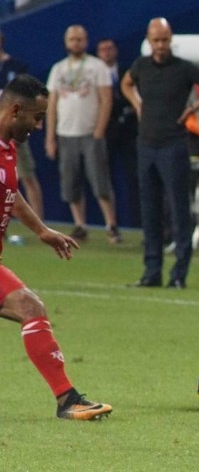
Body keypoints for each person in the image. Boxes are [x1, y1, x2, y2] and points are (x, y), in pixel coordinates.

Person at [0, 74, 112, 420]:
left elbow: (10, 192)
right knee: (31, 308)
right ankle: (67, 400)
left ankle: (67, 400)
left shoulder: (8, 146)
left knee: (31, 309)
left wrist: (42, 230)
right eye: (36, 117)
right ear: (15, 110)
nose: (37, 125)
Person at [121, 17, 199, 289]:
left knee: (179, 210)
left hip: (173, 146)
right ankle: (151, 272)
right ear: (148, 40)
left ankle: (179, 274)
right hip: (146, 144)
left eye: (165, 39)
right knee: (150, 210)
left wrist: (194, 107)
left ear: (171, 39)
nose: (160, 45)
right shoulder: (141, 65)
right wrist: (137, 104)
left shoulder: (184, 69)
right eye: (156, 40)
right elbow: (126, 83)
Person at [45, 24, 121, 244]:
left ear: (86, 42)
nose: (76, 43)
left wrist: (99, 129)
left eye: (79, 39)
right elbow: (52, 103)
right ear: (66, 42)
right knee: (70, 181)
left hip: (90, 132)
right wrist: (51, 137)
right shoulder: (58, 69)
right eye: (72, 39)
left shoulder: (97, 67)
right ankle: (80, 225)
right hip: (65, 132)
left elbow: (107, 99)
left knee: (100, 180)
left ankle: (111, 224)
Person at [0, 29, 43, 220]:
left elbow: (31, 98)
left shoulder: (16, 67)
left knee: (26, 177)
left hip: (14, 131)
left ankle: (39, 221)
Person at [99, 38, 139, 226]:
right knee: (103, 177)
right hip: (104, 131)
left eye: (110, 48)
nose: (107, 52)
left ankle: (137, 223)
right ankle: (111, 223)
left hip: (129, 132)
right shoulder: (94, 73)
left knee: (135, 176)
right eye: (103, 49)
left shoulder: (127, 72)